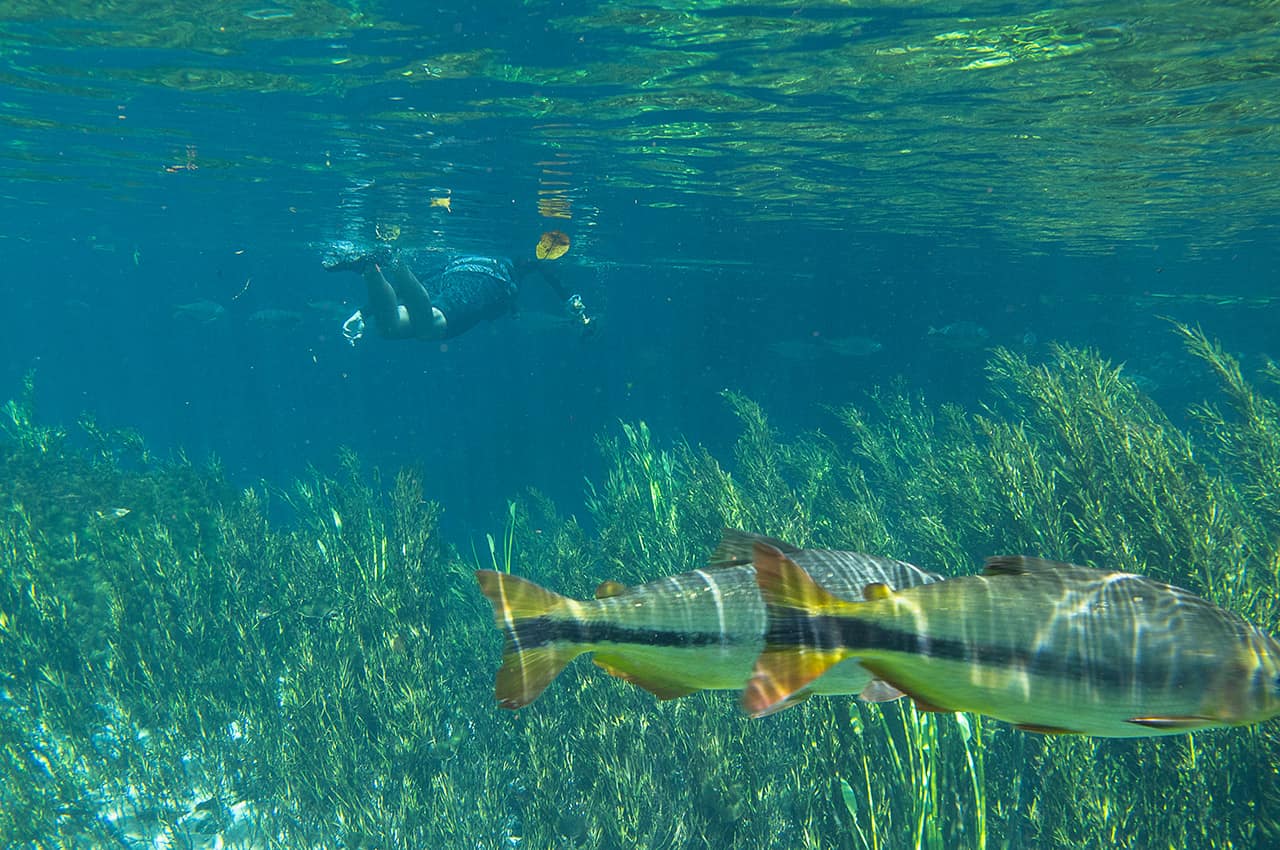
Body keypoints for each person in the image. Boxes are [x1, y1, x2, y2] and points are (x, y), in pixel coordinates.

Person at [325, 244, 594, 345]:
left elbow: (422, 280)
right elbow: (541, 263)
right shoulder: (511, 260)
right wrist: (568, 297)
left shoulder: (465, 251)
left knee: (389, 328)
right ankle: (394, 261)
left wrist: (363, 312)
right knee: (429, 328)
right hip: (489, 282)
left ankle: (369, 268)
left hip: (452, 271)